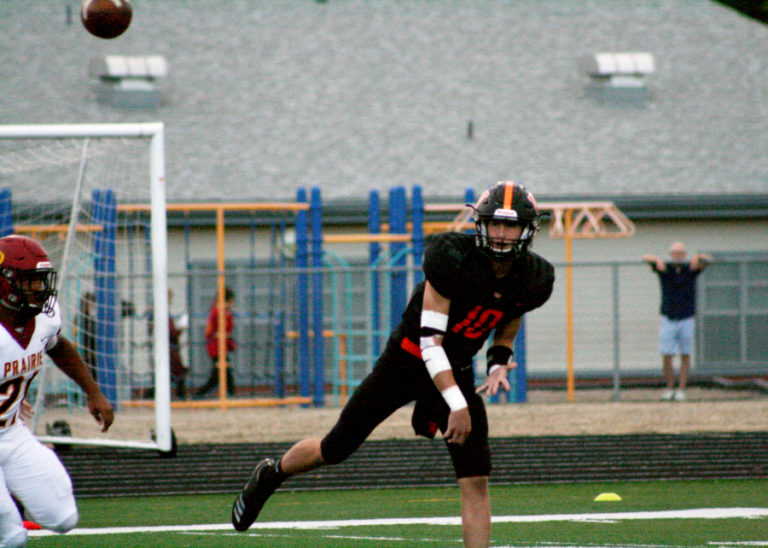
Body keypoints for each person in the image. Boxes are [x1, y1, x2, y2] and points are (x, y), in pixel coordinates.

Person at [231, 181, 555, 547]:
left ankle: (429, 414)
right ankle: (271, 474)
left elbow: (509, 320)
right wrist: (458, 404)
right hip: (407, 362)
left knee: (475, 477)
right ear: (479, 223)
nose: (500, 233)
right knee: (335, 448)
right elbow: (430, 344)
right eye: (494, 223)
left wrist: (499, 361)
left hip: (457, 369)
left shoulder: (534, 277)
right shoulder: (452, 258)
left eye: (510, 225)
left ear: (527, 229)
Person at [0, 235, 114, 547]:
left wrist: (93, 392)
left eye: (41, 281)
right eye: (30, 282)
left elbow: (56, 346)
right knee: (10, 535)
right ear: (5, 284)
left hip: (9, 432)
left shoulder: (44, 317)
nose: (40, 290)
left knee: (63, 517)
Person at [643, 242, 712, 401]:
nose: (678, 256)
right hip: (668, 317)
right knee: (666, 354)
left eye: (681, 253)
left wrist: (698, 257)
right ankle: (669, 387)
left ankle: (681, 389)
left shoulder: (690, 269)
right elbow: (645, 258)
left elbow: (708, 259)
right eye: (675, 253)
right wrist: (655, 259)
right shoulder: (665, 269)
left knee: (685, 354)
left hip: (686, 318)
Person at [196, 286, 236, 397]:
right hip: (216, 348)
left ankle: (230, 394)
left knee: (221, 373)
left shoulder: (225, 312)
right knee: (221, 373)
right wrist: (218, 335)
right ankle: (199, 394)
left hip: (221, 347)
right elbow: (209, 331)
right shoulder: (217, 312)